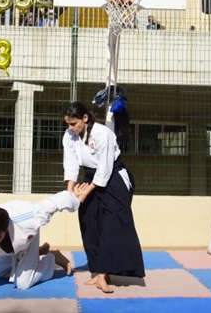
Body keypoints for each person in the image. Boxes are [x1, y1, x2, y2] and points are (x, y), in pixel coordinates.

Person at [62, 101, 145, 293]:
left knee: (111, 225)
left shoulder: (102, 133)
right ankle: (98, 270)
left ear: (85, 118)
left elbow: (105, 168)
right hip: (90, 177)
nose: (70, 128)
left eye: (73, 123)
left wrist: (87, 191)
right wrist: (70, 191)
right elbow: (71, 162)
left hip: (114, 178)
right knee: (88, 222)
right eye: (68, 124)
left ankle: (102, 275)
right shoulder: (69, 136)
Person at [0, 190, 84, 290]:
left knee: (22, 283)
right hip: (5, 250)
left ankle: (52, 258)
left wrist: (76, 199)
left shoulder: (30, 217)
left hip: (26, 241)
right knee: (2, 274)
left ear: (6, 228)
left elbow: (56, 201)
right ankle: (39, 252)